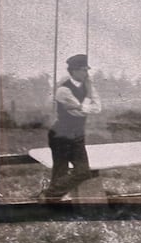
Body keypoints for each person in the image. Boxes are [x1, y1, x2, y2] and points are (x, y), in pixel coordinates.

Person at [40, 54, 102, 198]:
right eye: (83, 70)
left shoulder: (88, 86)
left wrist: (85, 103)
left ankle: (49, 195)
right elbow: (83, 110)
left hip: (78, 135)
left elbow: (98, 108)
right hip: (60, 135)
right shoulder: (63, 90)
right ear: (73, 71)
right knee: (60, 171)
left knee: (83, 171)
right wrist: (87, 98)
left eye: (87, 70)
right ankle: (53, 202)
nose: (86, 73)